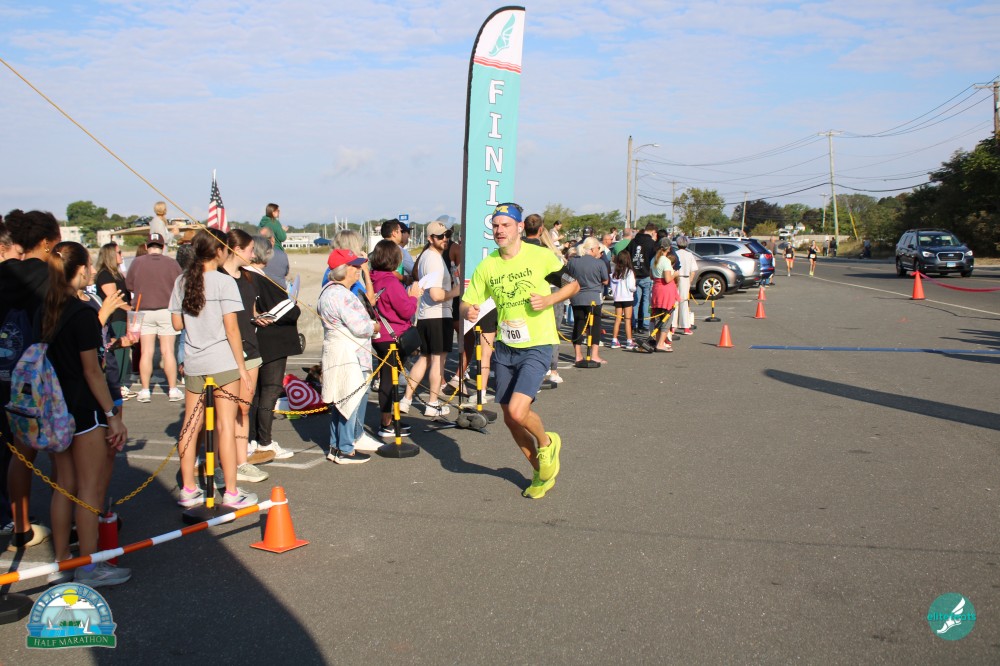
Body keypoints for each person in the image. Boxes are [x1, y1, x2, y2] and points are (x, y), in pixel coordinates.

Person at [461, 203, 580, 499]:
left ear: (519, 227)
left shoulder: (540, 257)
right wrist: (468, 310)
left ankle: (547, 443)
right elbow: (467, 301)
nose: (499, 230)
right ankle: (539, 472)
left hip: (537, 344)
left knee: (517, 410)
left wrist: (549, 300)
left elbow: (573, 286)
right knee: (510, 418)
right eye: (495, 225)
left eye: (505, 225)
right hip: (505, 347)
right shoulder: (488, 266)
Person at [45, 241, 130, 587]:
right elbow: (92, 371)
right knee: (89, 489)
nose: (93, 272)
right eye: (90, 267)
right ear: (80, 270)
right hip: (83, 409)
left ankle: (62, 559)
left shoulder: (46, 309)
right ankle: (90, 566)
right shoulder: (81, 314)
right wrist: (112, 414)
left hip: (54, 406)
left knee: (64, 486)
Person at [169, 231, 256, 509]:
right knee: (225, 426)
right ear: (219, 251)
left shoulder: (182, 281)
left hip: (195, 362)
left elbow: (177, 324)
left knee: (190, 425)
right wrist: (242, 368)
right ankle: (231, 491)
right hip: (223, 362)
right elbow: (232, 329)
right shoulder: (223, 282)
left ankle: (188, 488)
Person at [0, 210, 61, 549]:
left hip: (7, 373)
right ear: (47, 242)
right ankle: (65, 521)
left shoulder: (5, 273)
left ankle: (19, 524)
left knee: (18, 454)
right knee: (59, 452)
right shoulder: (51, 277)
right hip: (41, 375)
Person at [318, 249, 383, 464]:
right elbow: (360, 327)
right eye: (354, 266)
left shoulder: (327, 291)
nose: (358, 270)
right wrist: (375, 326)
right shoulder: (341, 295)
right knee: (350, 399)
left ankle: (335, 446)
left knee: (340, 399)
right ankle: (345, 449)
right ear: (344, 269)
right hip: (350, 353)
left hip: (337, 351)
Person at [216, 228, 270, 483]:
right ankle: (222, 462)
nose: (253, 255)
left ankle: (242, 461)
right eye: (250, 250)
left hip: (251, 348)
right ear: (236, 250)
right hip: (226, 352)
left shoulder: (249, 277)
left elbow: (250, 310)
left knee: (244, 409)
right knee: (225, 412)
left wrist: (259, 318)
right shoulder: (218, 277)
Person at [245, 235, 300, 461]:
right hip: (272, 342)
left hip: (255, 342)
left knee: (256, 393)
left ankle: (252, 438)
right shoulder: (261, 280)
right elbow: (289, 310)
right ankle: (264, 441)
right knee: (269, 390)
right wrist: (293, 303)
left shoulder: (243, 278)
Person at [400, 221, 460, 417]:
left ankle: (406, 399)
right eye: (440, 236)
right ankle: (432, 404)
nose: (445, 239)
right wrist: (455, 291)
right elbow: (436, 295)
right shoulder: (434, 259)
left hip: (426, 316)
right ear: (430, 238)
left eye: (447, 235)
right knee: (438, 360)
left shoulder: (425, 256)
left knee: (424, 359)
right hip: (438, 315)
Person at [370, 240, 423, 437]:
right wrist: (413, 296)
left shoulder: (373, 279)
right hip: (393, 336)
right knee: (389, 380)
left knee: (387, 377)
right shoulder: (391, 282)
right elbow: (406, 310)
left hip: (380, 335)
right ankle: (386, 423)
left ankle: (390, 419)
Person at [125, 233, 183, 402]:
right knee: (168, 351)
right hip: (166, 310)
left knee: (146, 351)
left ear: (146, 246)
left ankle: (145, 390)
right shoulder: (171, 263)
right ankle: (173, 389)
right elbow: (180, 285)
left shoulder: (137, 262)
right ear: (163, 247)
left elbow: (129, 285)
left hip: (144, 310)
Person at [522, 214, 565, 384]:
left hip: (525, 297)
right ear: (541, 230)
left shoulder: (516, 250)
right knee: (550, 332)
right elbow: (568, 282)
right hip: (547, 295)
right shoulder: (546, 254)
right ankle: (551, 370)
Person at [94, 243, 134, 399]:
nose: (121, 255)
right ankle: (116, 385)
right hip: (114, 318)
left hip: (122, 317)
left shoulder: (117, 274)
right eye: (119, 252)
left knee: (124, 351)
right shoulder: (105, 274)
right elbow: (114, 298)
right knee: (116, 351)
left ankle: (120, 384)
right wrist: (130, 309)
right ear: (111, 255)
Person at [567, 237, 609, 364]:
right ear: (592, 249)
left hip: (576, 296)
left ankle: (578, 355)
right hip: (593, 298)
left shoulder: (573, 262)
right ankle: (594, 354)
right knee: (595, 326)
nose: (599, 250)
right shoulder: (599, 263)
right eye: (598, 248)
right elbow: (605, 280)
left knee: (578, 324)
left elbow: (567, 278)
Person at [650, 240, 680, 352]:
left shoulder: (654, 259)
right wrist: (675, 274)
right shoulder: (666, 261)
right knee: (667, 318)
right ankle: (661, 344)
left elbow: (651, 276)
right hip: (666, 291)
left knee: (658, 317)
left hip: (656, 289)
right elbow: (667, 279)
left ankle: (658, 342)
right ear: (668, 248)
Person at [626, 224, 656, 332]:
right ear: (653, 232)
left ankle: (633, 323)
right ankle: (645, 323)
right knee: (646, 301)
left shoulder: (633, 242)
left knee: (635, 301)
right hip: (647, 274)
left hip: (634, 275)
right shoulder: (651, 243)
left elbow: (625, 254)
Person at [670, 235, 698, 336]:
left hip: (675, 278)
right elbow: (693, 270)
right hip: (685, 278)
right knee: (684, 302)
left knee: (674, 302)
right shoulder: (689, 255)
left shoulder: (675, 253)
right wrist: (690, 281)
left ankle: (673, 326)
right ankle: (686, 327)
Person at [609, 250, 636, 350]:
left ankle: (614, 340)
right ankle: (629, 341)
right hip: (627, 297)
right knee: (627, 320)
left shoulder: (614, 272)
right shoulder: (629, 272)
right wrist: (635, 289)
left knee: (617, 320)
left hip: (617, 298)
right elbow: (631, 287)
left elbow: (612, 286)